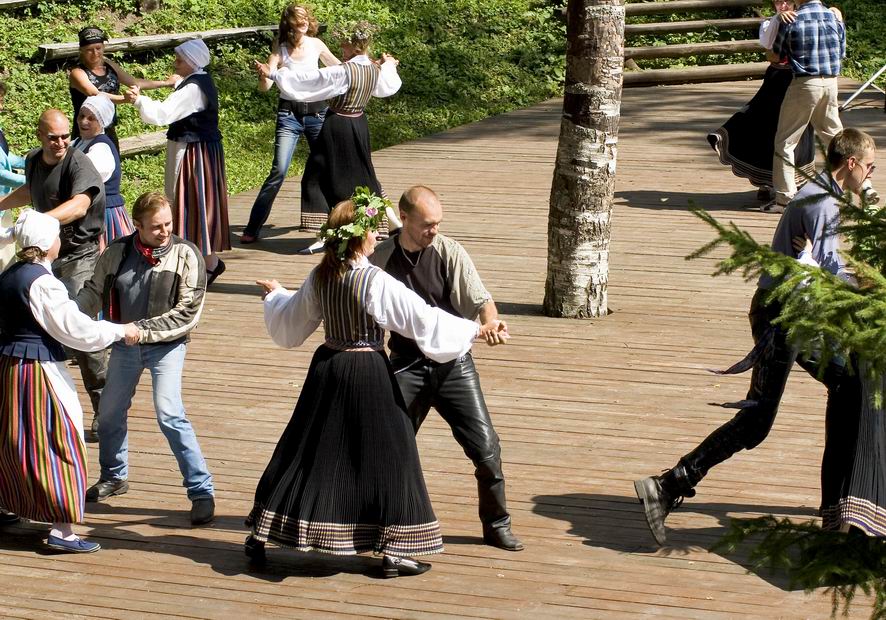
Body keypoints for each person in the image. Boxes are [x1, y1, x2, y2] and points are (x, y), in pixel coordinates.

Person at [634, 128, 876, 546]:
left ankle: (836, 507)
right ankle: (668, 485)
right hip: (781, 316)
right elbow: (832, 271)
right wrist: (870, 286)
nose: (872, 174)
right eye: (869, 166)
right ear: (851, 163)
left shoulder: (825, 194)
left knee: (849, 385)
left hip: (801, 312)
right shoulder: (820, 201)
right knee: (757, 420)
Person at [246, 192, 498, 577]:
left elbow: (293, 320)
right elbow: (421, 319)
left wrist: (275, 295)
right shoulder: (373, 280)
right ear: (358, 237)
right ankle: (395, 550)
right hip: (366, 372)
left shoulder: (321, 275)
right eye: (371, 232)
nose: (377, 237)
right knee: (393, 454)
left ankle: (261, 533)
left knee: (305, 447)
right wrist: (473, 330)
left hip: (328, 369)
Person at [369, 185, 523, 551]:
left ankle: (496, 524)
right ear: (403, 218)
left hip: (454, 365)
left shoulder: (449, 251)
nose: (434, 230)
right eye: (427, 224)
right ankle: (377, 525)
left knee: (487, 450)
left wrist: (492, 323)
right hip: (406, 365)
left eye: (438, 223)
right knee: (386, 447)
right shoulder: (381, 258)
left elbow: (482, 301)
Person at [0, 210, 138, 552]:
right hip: (36, 371)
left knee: (13, 439)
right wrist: (118, 330)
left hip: (8, 366)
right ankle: (61, 530)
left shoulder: (11, 273)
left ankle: (6, 504)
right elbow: (75, 329)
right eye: (56, 236)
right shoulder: (42, 282)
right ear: (46, 243)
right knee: (58, 441)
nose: (60, 240)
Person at [77, 192, 216, 526]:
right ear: (136, 225)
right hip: (125, 345)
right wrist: (67, 316)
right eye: (156, 227)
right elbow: (93, 292)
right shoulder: (116, 252)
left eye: (168, 224)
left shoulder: (187, 254)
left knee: (170, 415)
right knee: (108, 413)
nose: (165, 231)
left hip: (166, 346)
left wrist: (139, 330)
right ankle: (114, 476)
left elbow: (187, 314)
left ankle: (201, 491)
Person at [0, 108, 107, 440]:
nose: (60, 143)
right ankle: (41, 406)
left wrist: (40, 222)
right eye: (53, 138)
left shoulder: (78, 164)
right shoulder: (34, 160)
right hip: (42, 255)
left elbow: (80, 205)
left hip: (78, 254)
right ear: (40, 136)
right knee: (28, 322)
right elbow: (30, 191)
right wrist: (1, 205)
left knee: (78, 324)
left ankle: (104, 407)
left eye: (64, 137)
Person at [256, 20, 402, 244]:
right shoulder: (374, 69)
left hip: (338, 126)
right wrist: (389, 64)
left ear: (355, 47)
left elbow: (311, 82)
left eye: (344, 45)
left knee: (321, 175)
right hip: (359, 125)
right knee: (361, 174)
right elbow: (388, 84)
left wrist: (275, 75)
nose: (341, 48)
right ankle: (376, 223)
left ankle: (333, 228)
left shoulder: (344, 71)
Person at [125, 39, 230, 285]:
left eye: (180, 60)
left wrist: (139, 100)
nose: (175, 63)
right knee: (196, 204)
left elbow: (163, 114)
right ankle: (208, 262)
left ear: (193, 62)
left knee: (191, 204)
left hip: (194, 153)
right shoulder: (195, 81)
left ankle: (205, 264)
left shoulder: (193, 88)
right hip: (196, 148)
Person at [239, 4, 340, 245]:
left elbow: (340, 69)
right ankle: (253, 227)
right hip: (289, 116)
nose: (303, 22)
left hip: (317, 114)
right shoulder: (281, 48)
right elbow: (266, 87)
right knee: (279, 170)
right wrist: (264, 75)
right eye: (298, 19)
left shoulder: (316, 45)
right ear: (289, 24)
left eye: (305, 18)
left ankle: (339, 224)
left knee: (328, 167)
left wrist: (365, 65)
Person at [707, 0, 815, 203]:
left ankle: (795, 182)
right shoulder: (771, 23)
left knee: (799, 132)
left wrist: (836, 12)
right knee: (765, 127)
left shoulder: (807, 18)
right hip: (777, 80)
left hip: (799, 81)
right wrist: (777, 21)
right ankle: (766, 182)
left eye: (786, 1)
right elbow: (770, 52)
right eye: (778, 1)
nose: (782, 5)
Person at [69, 26, 178, 147]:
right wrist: (125, 99)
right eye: (89, 50)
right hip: (85, 130)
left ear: (103, 47)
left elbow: (134, 82)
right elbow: (95, 94)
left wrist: (165, 83)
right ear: (81, 50)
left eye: (98, 48)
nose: (95, 53)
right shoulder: (77, 72)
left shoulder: (109, 65)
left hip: (108, 128)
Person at [72, 95, 134, 252]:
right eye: (81, 116)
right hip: (88, 209)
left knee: (107, 257)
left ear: (102, 121)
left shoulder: (101, 148)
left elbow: (81, 176)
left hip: (103, 213)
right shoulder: (78, 142)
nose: (83, 121)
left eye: (91, 118)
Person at [0, 80, 25, 272]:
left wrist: (32, 162)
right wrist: (30, 182)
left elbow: (6, 156)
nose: (1, 107)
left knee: (7, 256)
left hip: (3, 202)